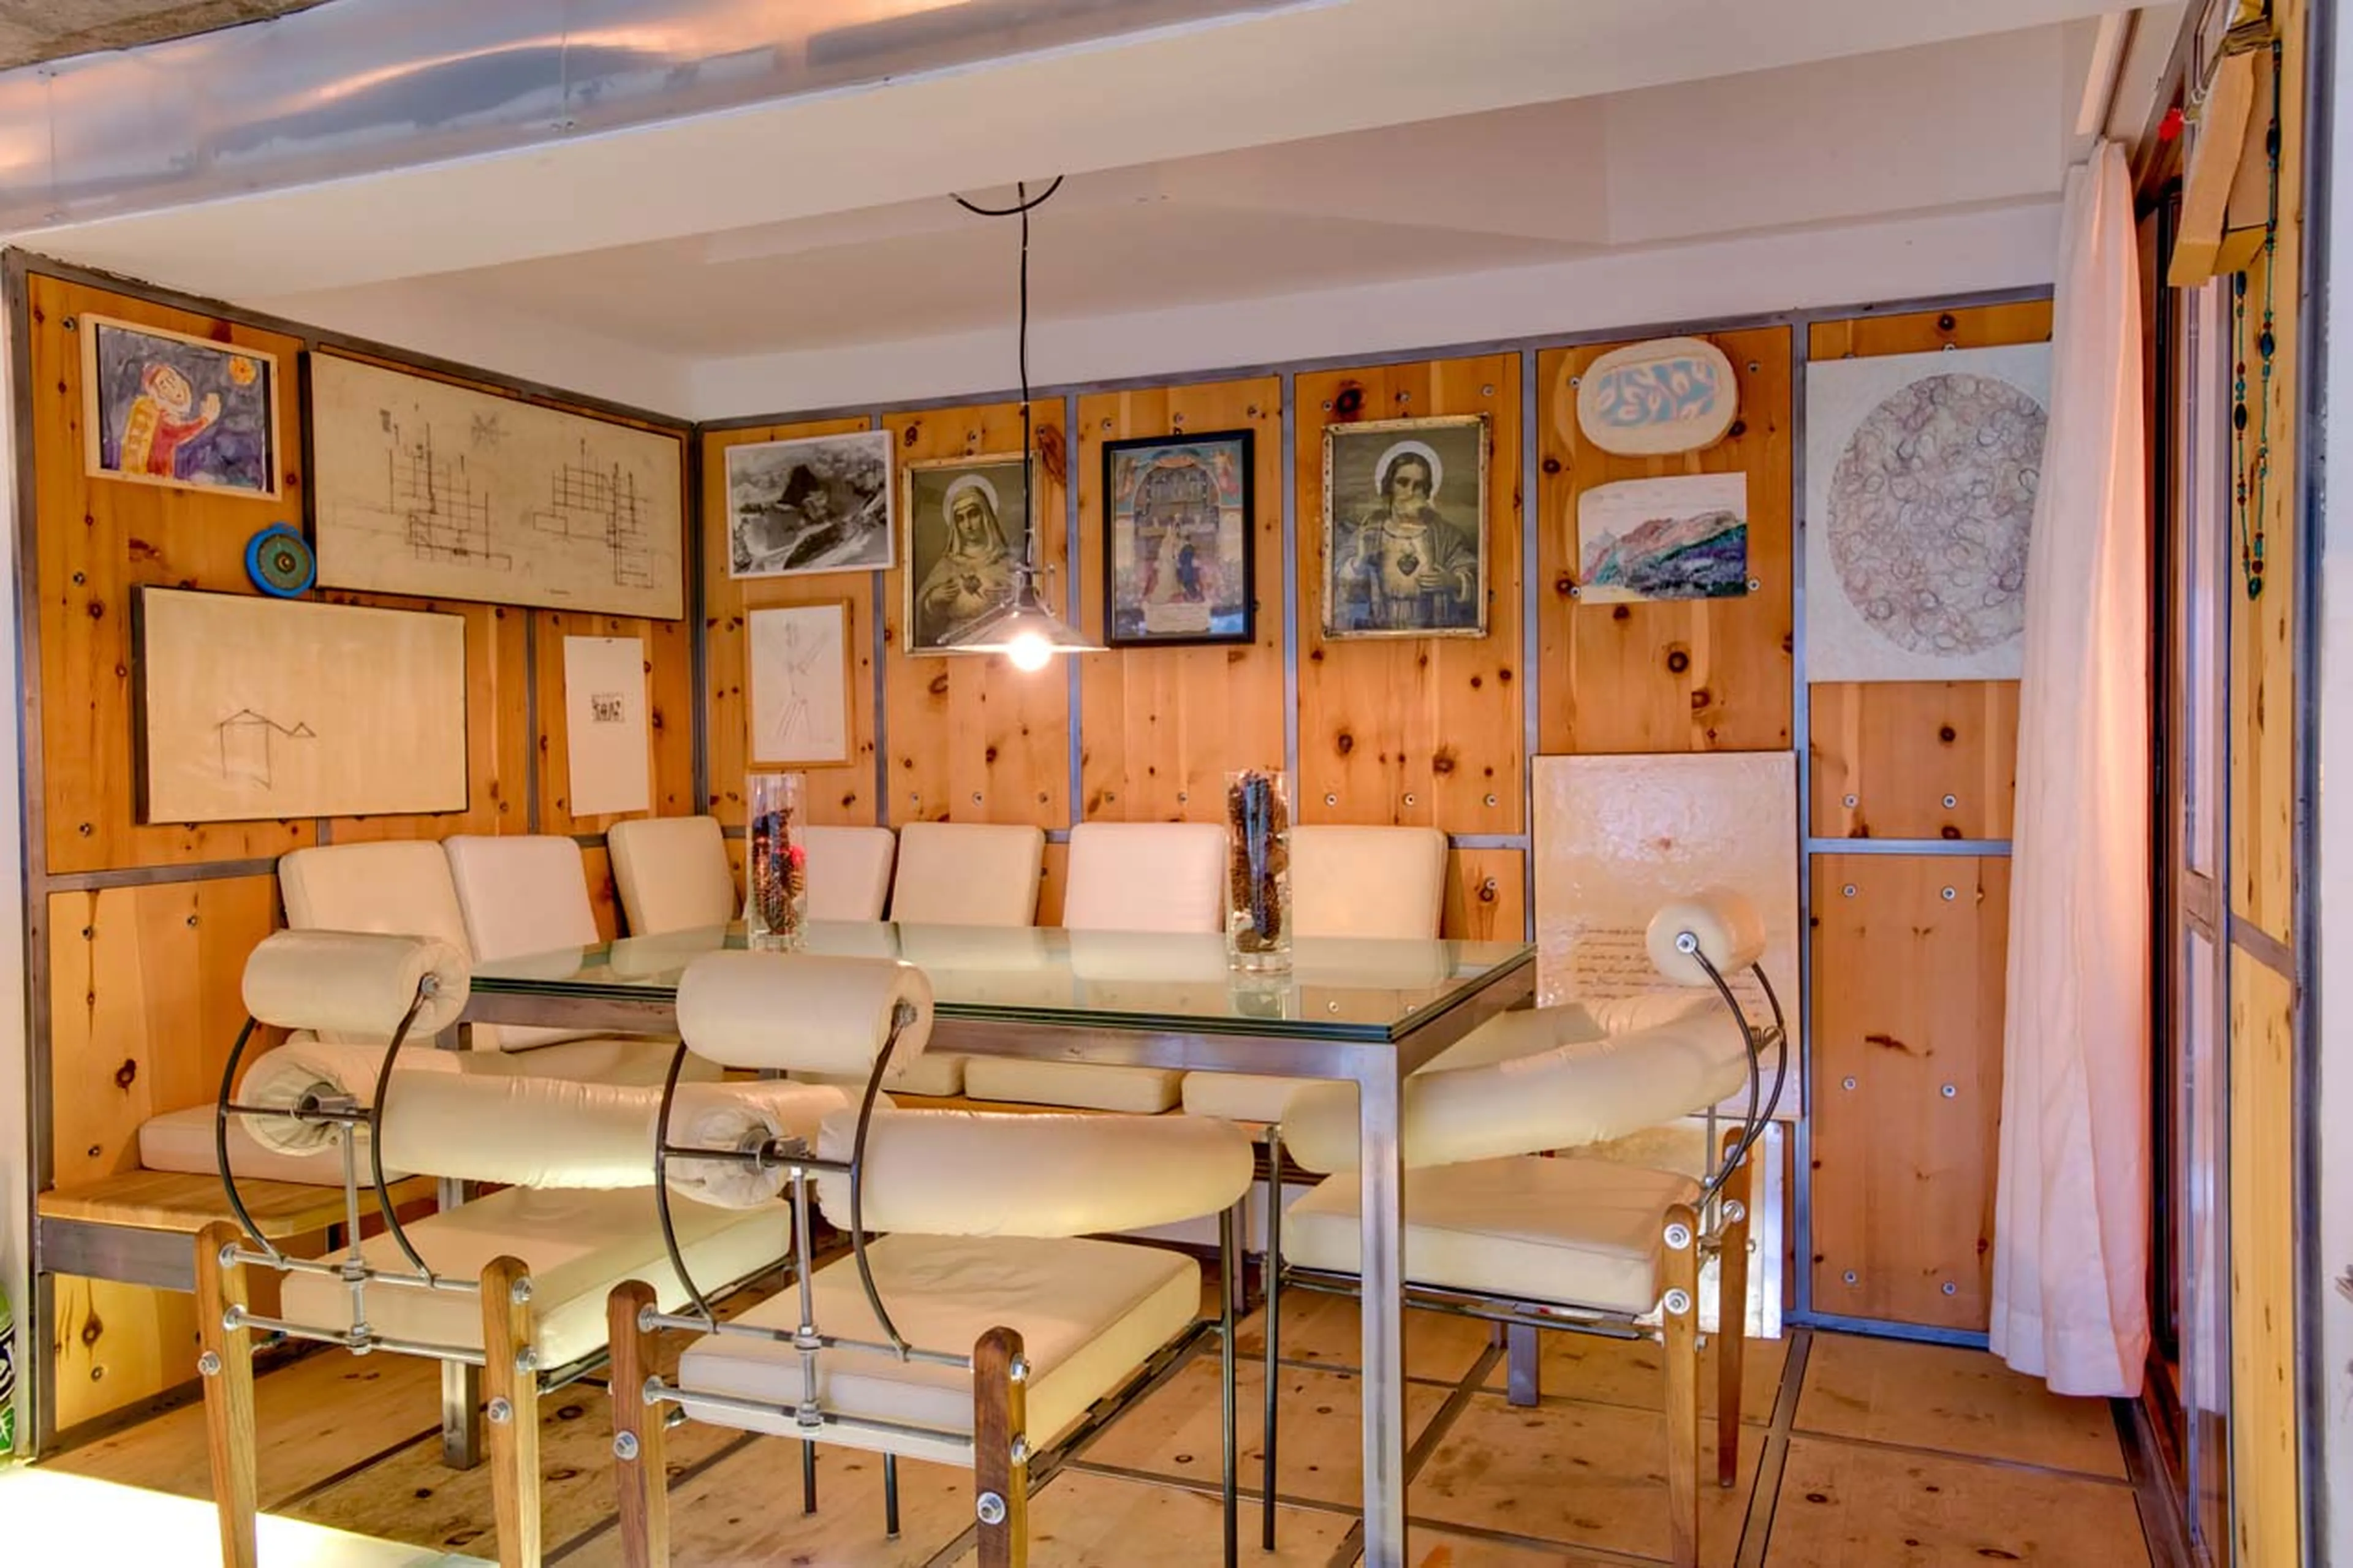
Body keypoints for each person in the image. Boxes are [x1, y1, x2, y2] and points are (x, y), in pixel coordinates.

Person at [1335, 440, 1480, 631]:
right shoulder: (1368, 532)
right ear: (1389, 486)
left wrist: (1453, 582)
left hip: (1434, 640)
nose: (1410, 492)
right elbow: (1338, 584)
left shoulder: (1445, 535)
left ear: (1428, 490)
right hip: (1376, 637)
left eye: (1419, 485)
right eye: (1402, 483)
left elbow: (1475, 575)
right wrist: (1360, 562)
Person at [915, 474, 1019, 647]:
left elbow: (1026, 610)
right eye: (961, 519)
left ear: (985, 515)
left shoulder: (1005, 563)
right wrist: (932, 600)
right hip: (957, 645)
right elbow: (926, 624)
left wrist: (1008, 596)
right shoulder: (947, 565)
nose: (968, 524)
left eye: (973, 514)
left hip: (998, 643)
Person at [114, 360, 222, 480]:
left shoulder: (172, 413)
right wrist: (205, 420)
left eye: (172, 381)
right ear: (158, 394)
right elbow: (176, 433)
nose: (173, 389)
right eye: (164, 387)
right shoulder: (160, 415)